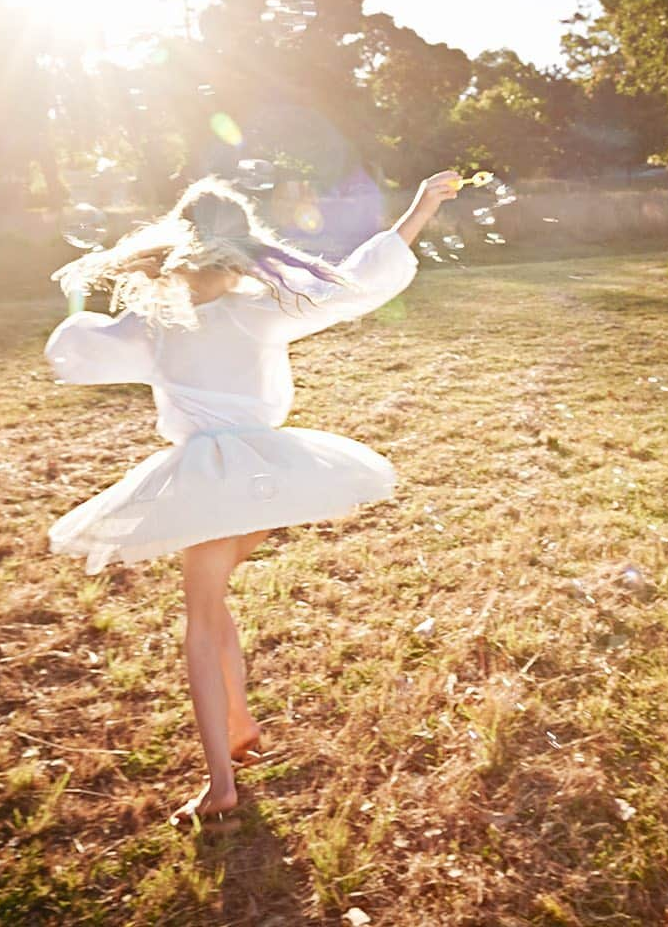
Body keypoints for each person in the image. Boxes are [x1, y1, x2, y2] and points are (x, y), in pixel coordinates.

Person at [44, 170, 460, 826]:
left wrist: (78, 311)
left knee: (201, 622)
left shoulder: (152, 323)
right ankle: (237, 726)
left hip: (215, 484)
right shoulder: (259, 307)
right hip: (270, 482)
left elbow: (78, 356)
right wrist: (420, 207)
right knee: (212, 606)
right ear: (239, 250)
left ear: (182, 248)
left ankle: (220, 785)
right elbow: (355, 284)